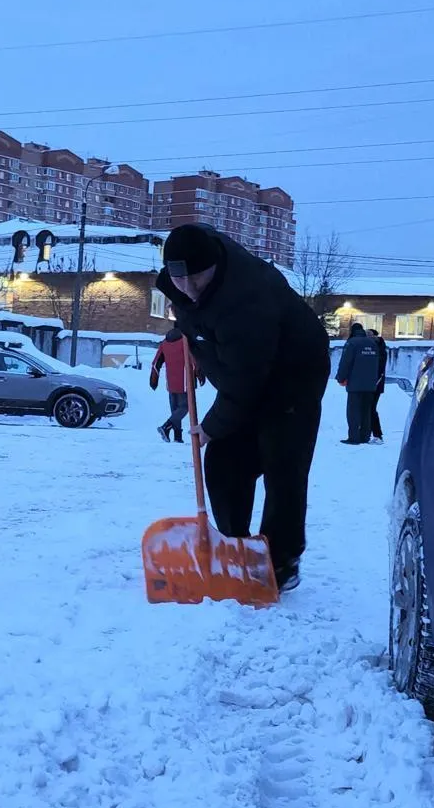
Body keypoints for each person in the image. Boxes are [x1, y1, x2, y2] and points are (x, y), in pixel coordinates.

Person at [155, 223, 331, 593]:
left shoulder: (247, 299)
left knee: (282, 462)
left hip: (294, 374)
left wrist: (211, 426)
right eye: (180, 279)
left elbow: (244, 381)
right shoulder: (184, 278)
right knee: (223, 461)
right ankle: (235, 546)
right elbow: (195, 317)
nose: (188, 288)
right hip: (245, 370)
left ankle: (281, 560)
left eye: (196, 279)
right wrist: (198, 349)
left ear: (215, 265)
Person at [335, 322, 387, 445]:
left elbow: (346, 362)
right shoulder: (373, 344)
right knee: (366, 411)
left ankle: (354, 437)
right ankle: (365, 436)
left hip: (355, 384)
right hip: (370, 384)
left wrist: (340, 377)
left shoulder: (352, 343)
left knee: (353, 412)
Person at [147, 326, 200, 443]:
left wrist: (154, 380)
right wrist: (199, 374)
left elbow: (156, 363)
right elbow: (194, 361)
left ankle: (177, 437)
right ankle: (166, 426)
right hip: (185, 382)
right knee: (185, 407)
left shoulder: (164, 343)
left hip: (170, 382)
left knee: (175, 409)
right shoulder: (185, 341)